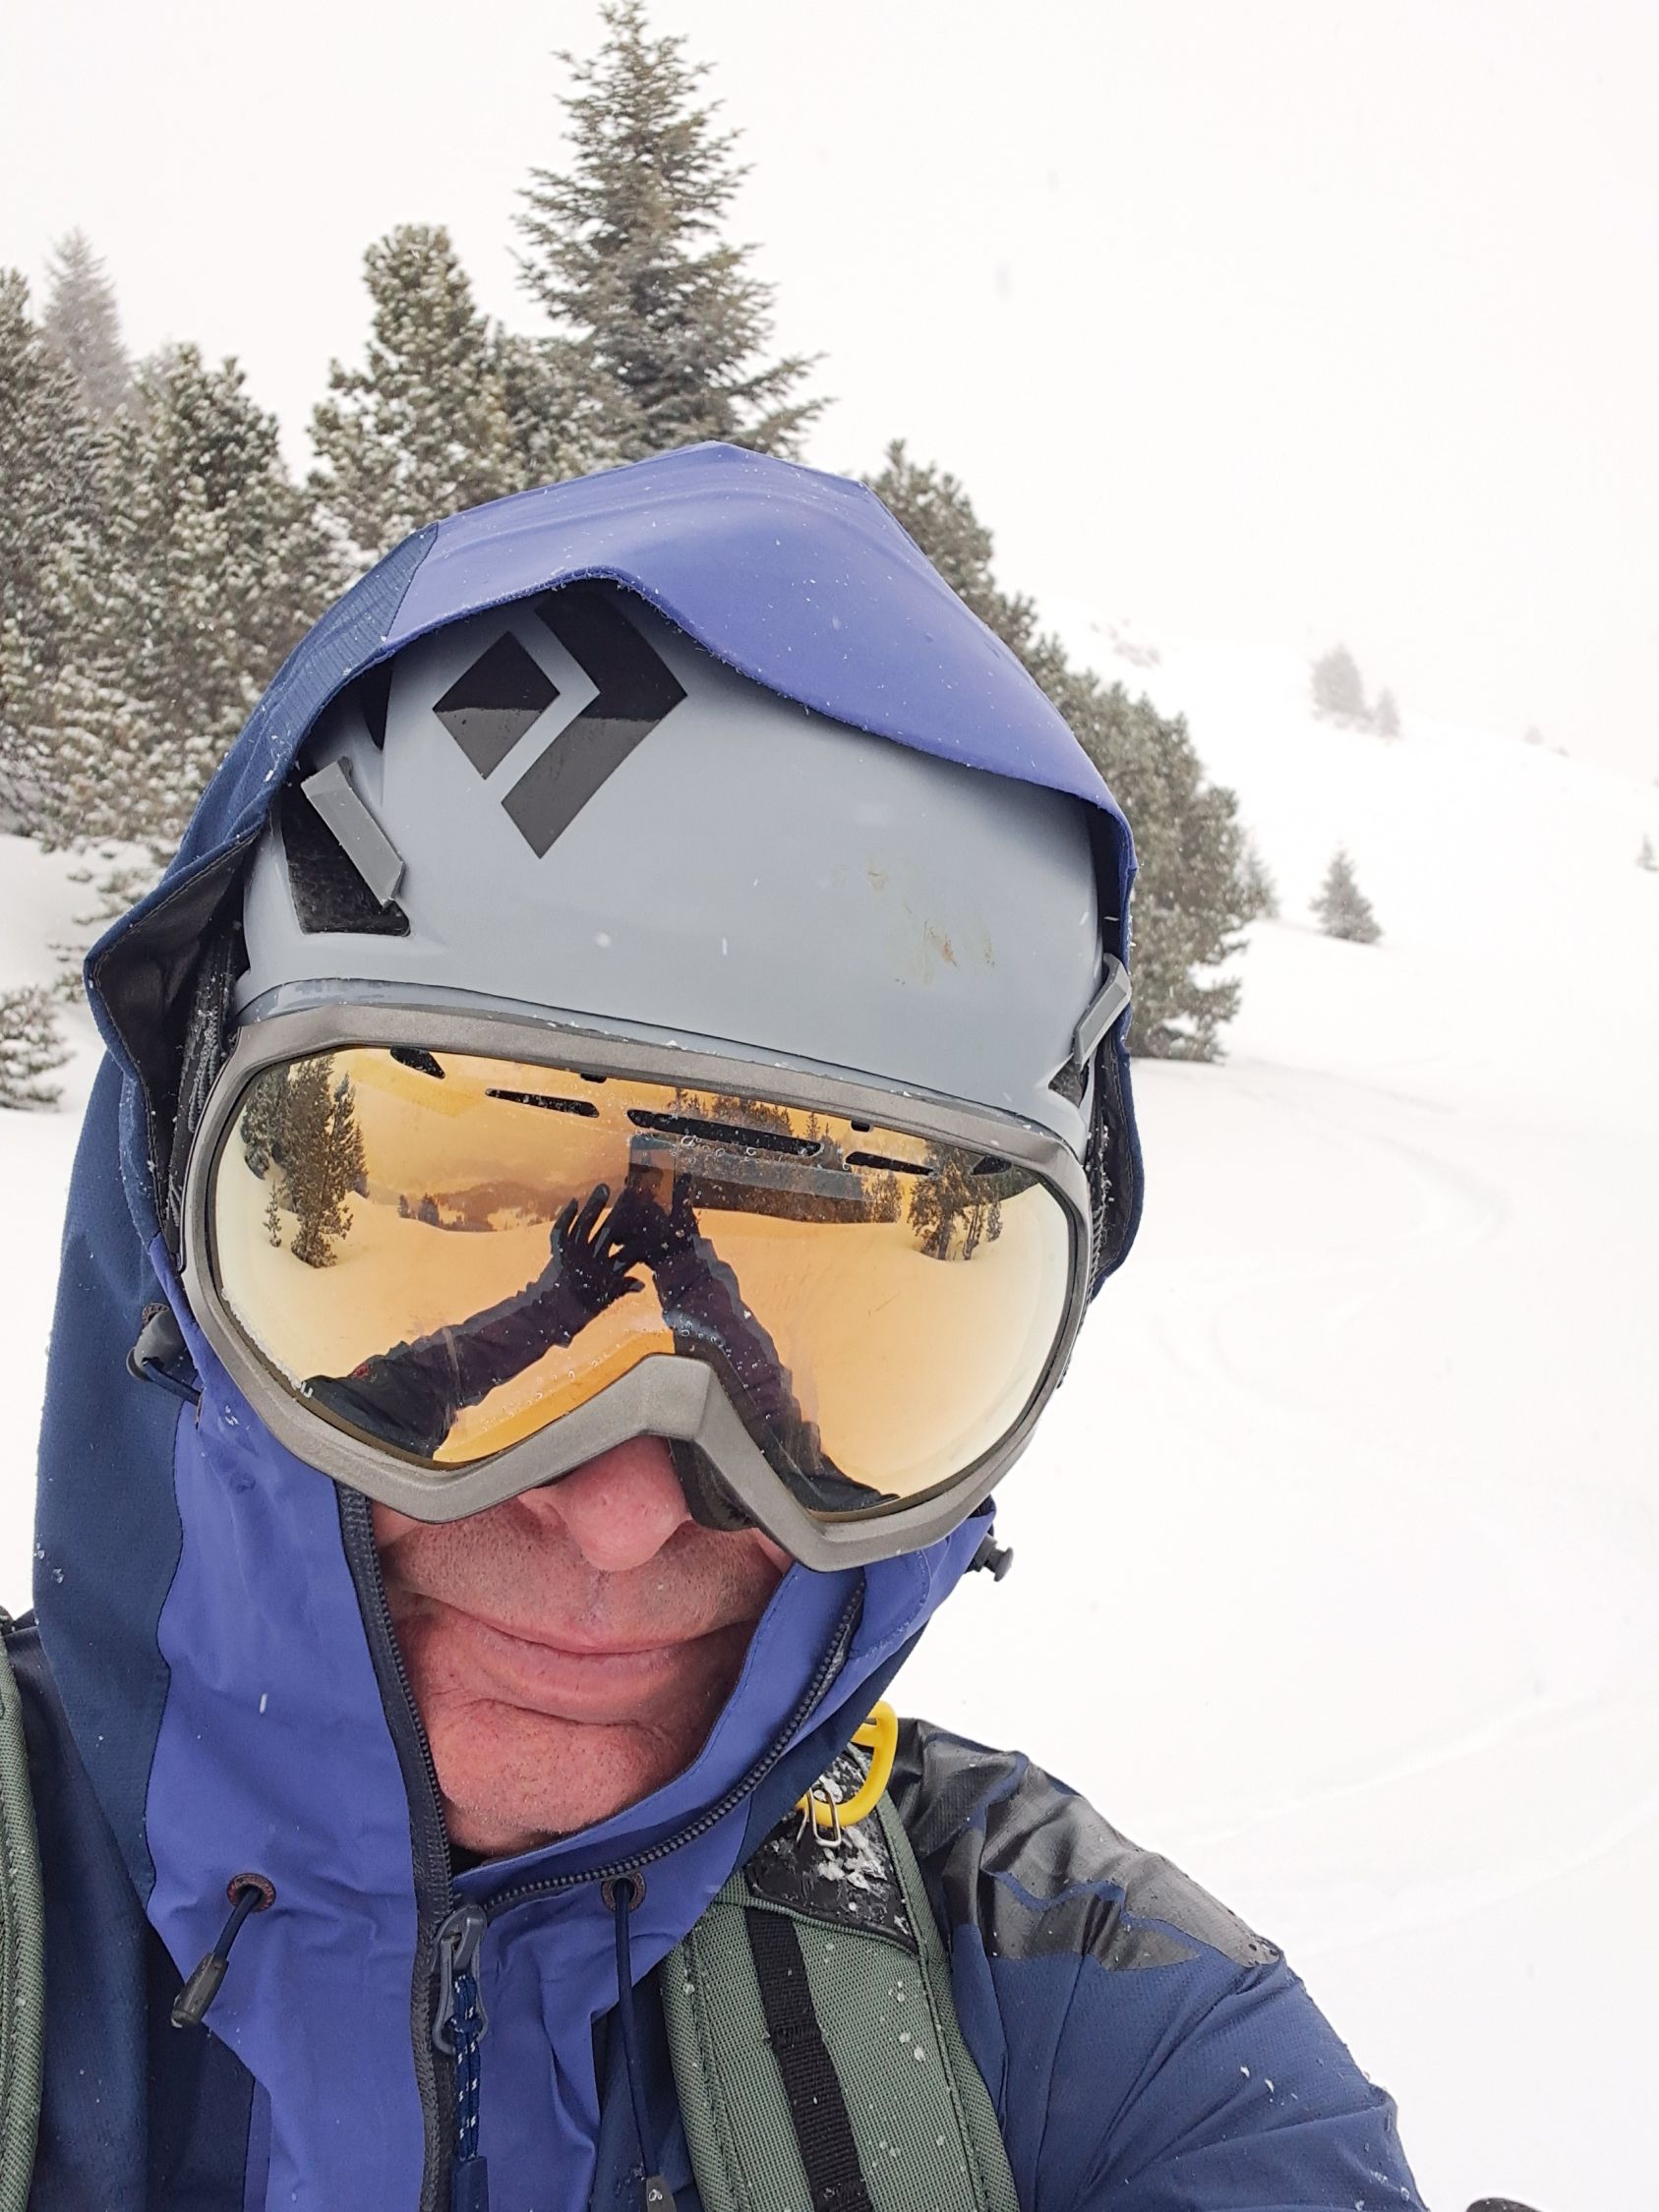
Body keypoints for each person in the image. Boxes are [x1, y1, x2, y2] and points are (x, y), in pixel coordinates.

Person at [12, 444, 1426, 2210]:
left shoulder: (1101, 2033)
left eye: (850, 1322)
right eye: (442, 1228)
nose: (620, 1518)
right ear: (172, 1235)